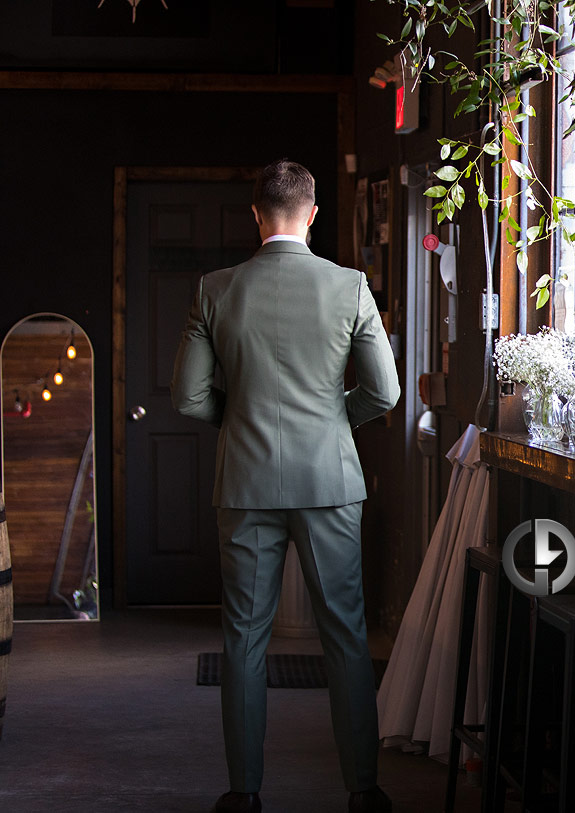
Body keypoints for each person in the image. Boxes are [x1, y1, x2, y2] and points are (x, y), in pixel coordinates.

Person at [171, 159, 400, 813]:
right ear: (313, 214)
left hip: (244, 483)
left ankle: (243, 793)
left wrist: (240, 421)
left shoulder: (215, 288)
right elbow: (384, 392)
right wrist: (332, 424)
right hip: (330, 480)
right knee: (346, 636)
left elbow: (188, 398)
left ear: (255, 214)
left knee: (244, 638)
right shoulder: (351, 286)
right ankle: (363, 788)